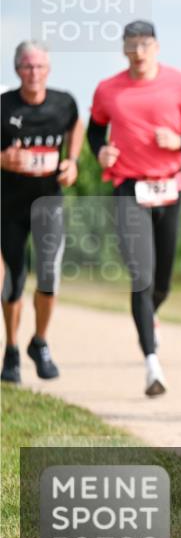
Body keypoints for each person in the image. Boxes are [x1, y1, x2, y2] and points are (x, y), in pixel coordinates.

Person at [87, 20, 181, 397]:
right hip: (128, 188)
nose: (138, 52)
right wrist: (99, 151)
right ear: (124, 49)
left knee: (162, 283)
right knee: (140, 276)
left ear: (156, 46)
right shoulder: (108, 89)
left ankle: (150, 317)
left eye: (144, 45)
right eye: (131, 45)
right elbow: (96, 129)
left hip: (169, 188)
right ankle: (152, 365)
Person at [1, 41, 82, 383]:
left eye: (39, 67)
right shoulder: (3, 106)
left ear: (49, 70)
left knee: (49, 276)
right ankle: (12, 350)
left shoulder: (64, 103)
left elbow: (75, 126)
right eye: (27, 67)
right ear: (17, 69)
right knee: (15, 279)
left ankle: (40, 342)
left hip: (48, 204)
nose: (34, 73)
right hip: (10, 207)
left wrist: (73, 161)